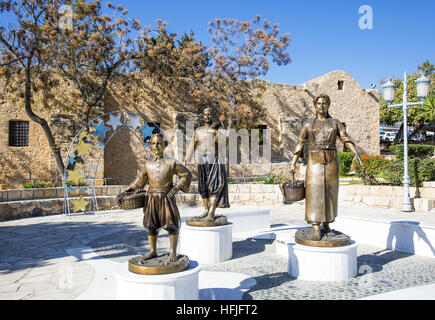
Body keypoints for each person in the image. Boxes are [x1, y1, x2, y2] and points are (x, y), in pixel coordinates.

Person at [290, 94, 363, 241]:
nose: (321, 106)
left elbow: (345, 138)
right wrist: (293, 162)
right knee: (314, 192)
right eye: (319, 103)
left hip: (331, 161)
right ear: (315, 105)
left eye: (324, 103)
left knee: (330, 192)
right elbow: (300, 143)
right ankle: (315, 225)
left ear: (328, 105)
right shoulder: (308, 124)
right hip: (314, 161)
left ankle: (326, 224)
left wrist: (356, 154)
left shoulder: (336, 123)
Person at [125, 133, 192, 262]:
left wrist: (177, 187)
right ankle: (153, 251)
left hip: (166, 197)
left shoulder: (171, 162)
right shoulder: (147, 163)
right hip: (151, 198)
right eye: (153, 144)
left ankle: (172, 251)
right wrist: (130, 188)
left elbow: (186, 174)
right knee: (150, 225)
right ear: (150, 146)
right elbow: (140, 180)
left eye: (159, 143)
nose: (156, 146)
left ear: (165, 145)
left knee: (171, 224)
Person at [184, 107, 230, 222]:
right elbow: (192, 145)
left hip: (214, 159)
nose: (207, 116)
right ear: (202, 116)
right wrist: (187, 159)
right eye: (205, 114)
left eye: (209, 114)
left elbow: (226, 142)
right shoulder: (198, 130)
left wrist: (215, 132)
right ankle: (206, 209)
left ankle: (211, 212)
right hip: (202, 161)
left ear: (212, 116)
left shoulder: (218, 129)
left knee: (213, 186)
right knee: (203, 186)